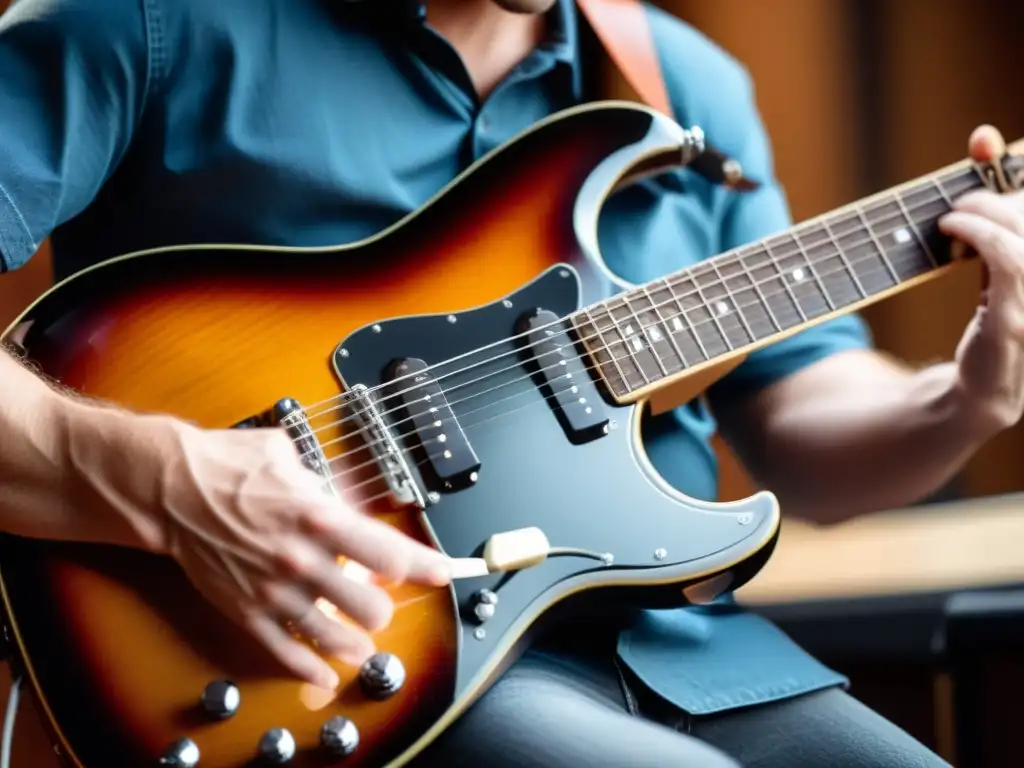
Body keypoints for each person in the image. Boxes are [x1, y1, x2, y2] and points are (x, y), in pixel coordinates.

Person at [0, 0, 1021, 765]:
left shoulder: (682, 85)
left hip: (678, 651)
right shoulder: (146, 18)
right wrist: (169, 480)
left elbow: (803, 418)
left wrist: (966, 394)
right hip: (335, 661)